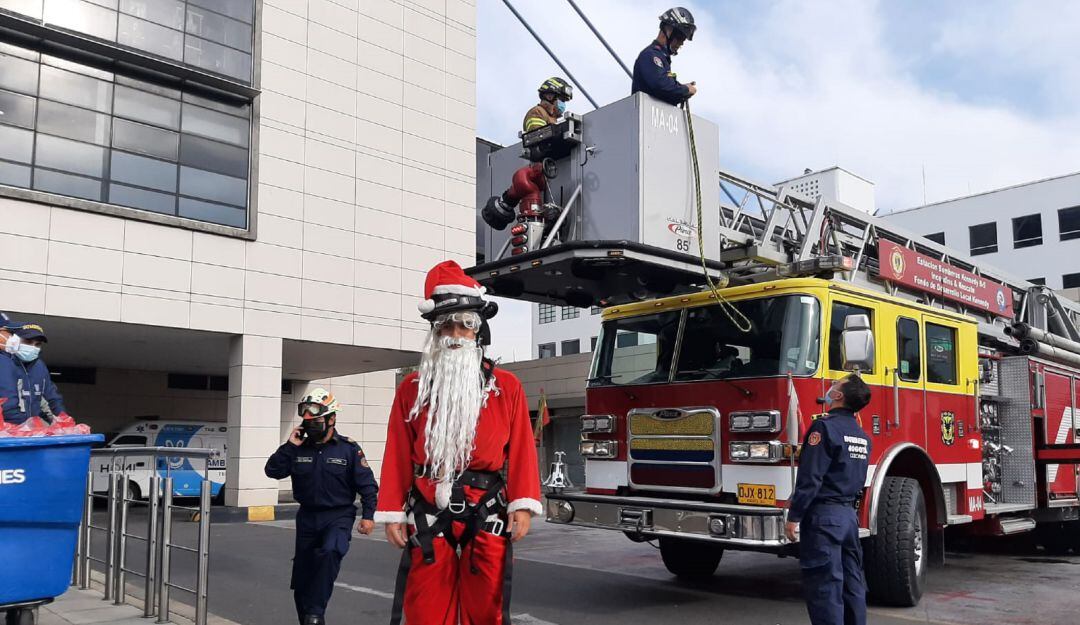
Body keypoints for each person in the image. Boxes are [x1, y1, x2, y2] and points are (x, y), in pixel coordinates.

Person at [375, 260, 541, 625]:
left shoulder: (507, 387)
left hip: (488, 509)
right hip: (427, 508)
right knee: (425, 611)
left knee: (488, 611)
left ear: (478, 331)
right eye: (446, 325)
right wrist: (391, 511)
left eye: (465, 326)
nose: (455, 334)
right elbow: (398, 453)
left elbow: (524, 451)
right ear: (435, 332)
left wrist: (522, 504)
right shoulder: (413, 389)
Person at [265, 389, 379, 625]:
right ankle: (310, 618)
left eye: (316, 421)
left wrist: (368, 517)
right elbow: (272, 471)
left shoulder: (348, 449)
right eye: (307, 421)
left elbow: (368, 486)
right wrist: (289, 446)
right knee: (303, 579)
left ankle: (315, 613)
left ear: (331, 419)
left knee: (330, 551)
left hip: (338, 515)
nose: (310, 426)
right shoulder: (298, 448)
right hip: (307, 517)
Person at [785, 374, 872, 625]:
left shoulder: (824, 428)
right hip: (848, 518)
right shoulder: (862, 437)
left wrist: (794, 516)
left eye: (836, 385)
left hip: (824, 518)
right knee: (852, 583)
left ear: (838, 396)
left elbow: (811, 478)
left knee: (825, 587)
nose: (831, 386)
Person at [0, 322, 69, 425]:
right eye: (28, 342)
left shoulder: (39, 366)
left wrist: (64, 422)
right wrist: (32, 428)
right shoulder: (4, 362)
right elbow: (7, 406)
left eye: (38, 344)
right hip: (7, 433)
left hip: (30, 434)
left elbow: (52, 399)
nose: (33, 347)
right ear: (12, 341)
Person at [631, 7, 698, 105]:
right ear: (668, 30)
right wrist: (685, 90)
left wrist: (681, 89)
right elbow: (662, 86)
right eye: (679, 38)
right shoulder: (650, 55)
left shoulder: (662, 59)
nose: (681, 43)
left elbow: (666, 88)